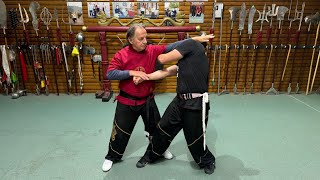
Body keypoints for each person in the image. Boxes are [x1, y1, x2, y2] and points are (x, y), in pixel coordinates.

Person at [101, 23, 214, 172]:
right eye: (141, 39)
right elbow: (110, 74)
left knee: (157, 129)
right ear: (130, 40)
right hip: (127, 100)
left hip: (148, 99)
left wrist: (195, 39)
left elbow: (174, 46)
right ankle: (111, 157)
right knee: (120, 131)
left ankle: (159, 151)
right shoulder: (121, 54)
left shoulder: (152, 50)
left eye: (145, 38)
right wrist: (131, 73)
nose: (145, 41)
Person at [134, 38, 216, 174]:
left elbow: (162, 59)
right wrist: (145, 76)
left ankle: (207, 160)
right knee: (162, 129)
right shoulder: (187, 61)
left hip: (196, 103)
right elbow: (165, 72)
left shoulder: (192, 44)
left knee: (195, 138)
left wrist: (150, 50)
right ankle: (151, 155)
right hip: (179, 101)